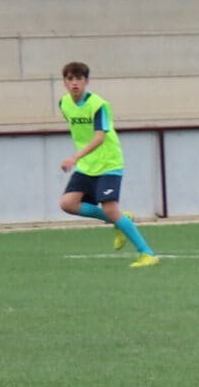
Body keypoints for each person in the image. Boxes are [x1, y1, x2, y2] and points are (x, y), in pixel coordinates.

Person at [56, 63, 161, 267]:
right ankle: (121, 220)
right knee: (67, 203)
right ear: (64, 82)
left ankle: (147, 253)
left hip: (108, 163)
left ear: (87, 81)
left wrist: (74, 157)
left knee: (110, 208)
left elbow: (99, 137)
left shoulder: (98, 105)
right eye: (70, 79)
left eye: (79, 79)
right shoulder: (64, 104)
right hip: (87, 165)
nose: (74, 83)